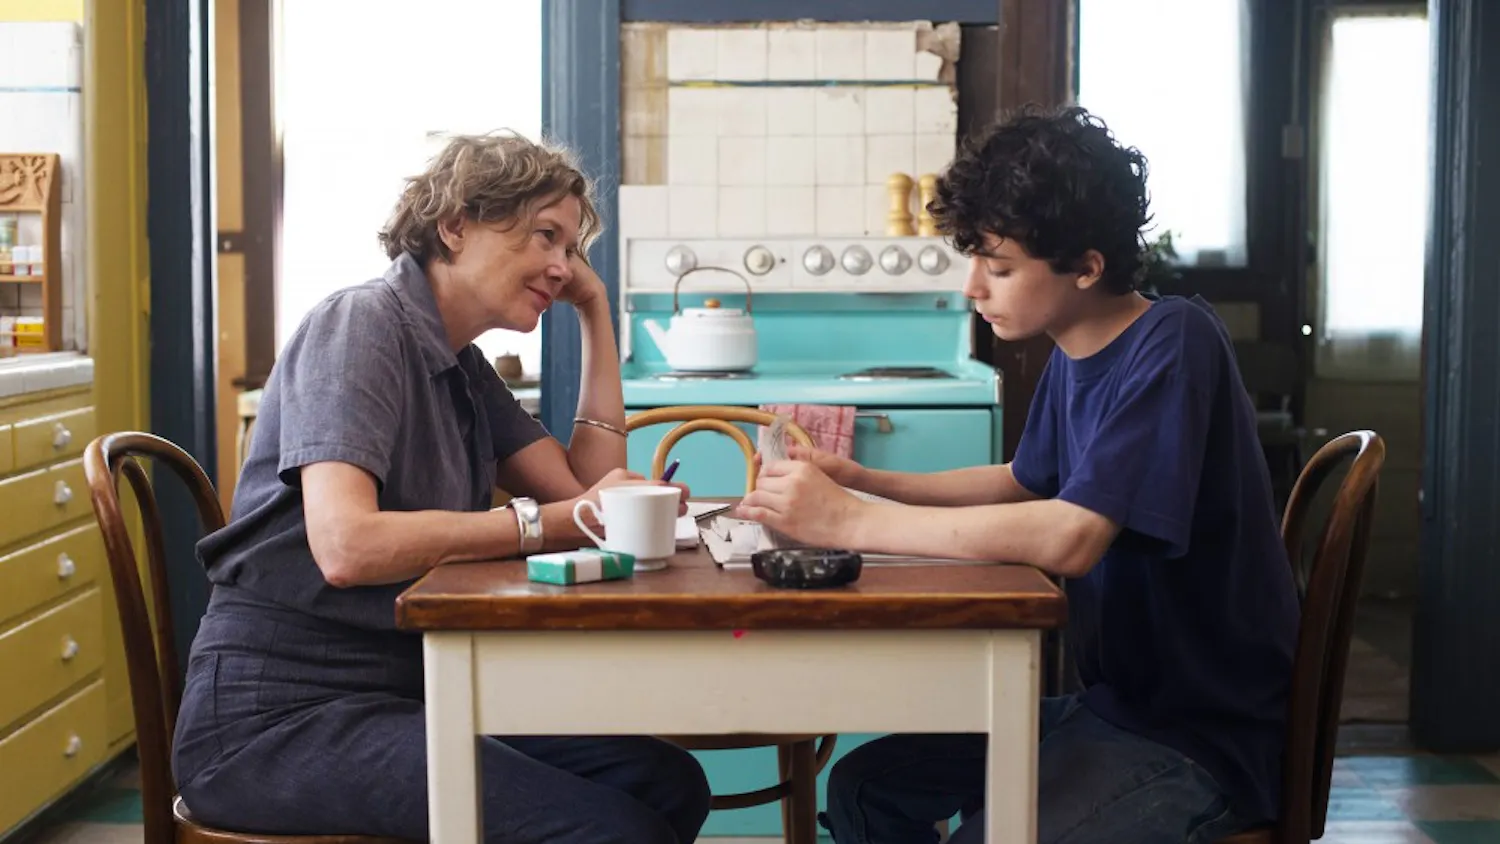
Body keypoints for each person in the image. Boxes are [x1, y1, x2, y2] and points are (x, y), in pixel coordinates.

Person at [737, 106, 1300, 844]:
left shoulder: (1173, 341)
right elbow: (1025, 481)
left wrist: (850, 521)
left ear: (1087, 266)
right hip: (1113, 705)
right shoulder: (1076, 353)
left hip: (1198, 736)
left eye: (999, 267)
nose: (974, 286)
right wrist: (866, 480)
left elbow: (1071, 537)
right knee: (863, 786)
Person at [172, 132, 711, 844]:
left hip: (405, 692)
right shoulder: (359, 325)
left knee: (666, 782)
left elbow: (586, 486)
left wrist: (595, 314)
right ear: (455, 224)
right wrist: (542, 524)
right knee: (612, 830)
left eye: (572, 250)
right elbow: (345, 547)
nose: (561, 266)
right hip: (275, 717)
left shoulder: (459, 364)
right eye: (546, 236)